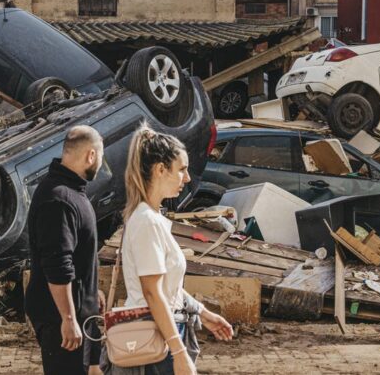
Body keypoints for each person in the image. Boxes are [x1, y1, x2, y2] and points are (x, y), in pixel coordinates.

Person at [104, 125, 234, 375]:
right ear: (160, 169)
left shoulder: (152, 218)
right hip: (154, 341)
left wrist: (203, 313)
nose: (186, 178)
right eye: (182, 170)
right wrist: (179, 352)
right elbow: (152, 293)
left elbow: (166, 288)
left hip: (162, 334)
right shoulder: (146, 221)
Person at [25, 125, 106, 375]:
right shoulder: (58, 199)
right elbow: (57, 263)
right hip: (61, 318)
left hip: (79, 312)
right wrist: (68, 319)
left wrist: (92, 292)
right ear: (91, 156)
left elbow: (78, 252)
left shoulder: (71, 192)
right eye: (100, 158)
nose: (100, 165)